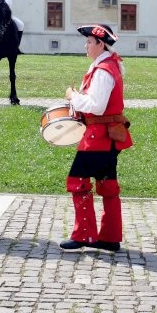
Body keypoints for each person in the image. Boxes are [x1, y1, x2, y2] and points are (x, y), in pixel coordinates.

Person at [59, 24, 133, 252]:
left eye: (89, 42)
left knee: (78, 182)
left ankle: (84, 236)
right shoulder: (107, 66)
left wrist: (74, 97)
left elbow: (97, 106)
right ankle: (110, 237)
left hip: (98, 137)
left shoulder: (103, 70)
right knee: (107, 185)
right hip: (106, 135)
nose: (86, 45)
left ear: (101, 44)